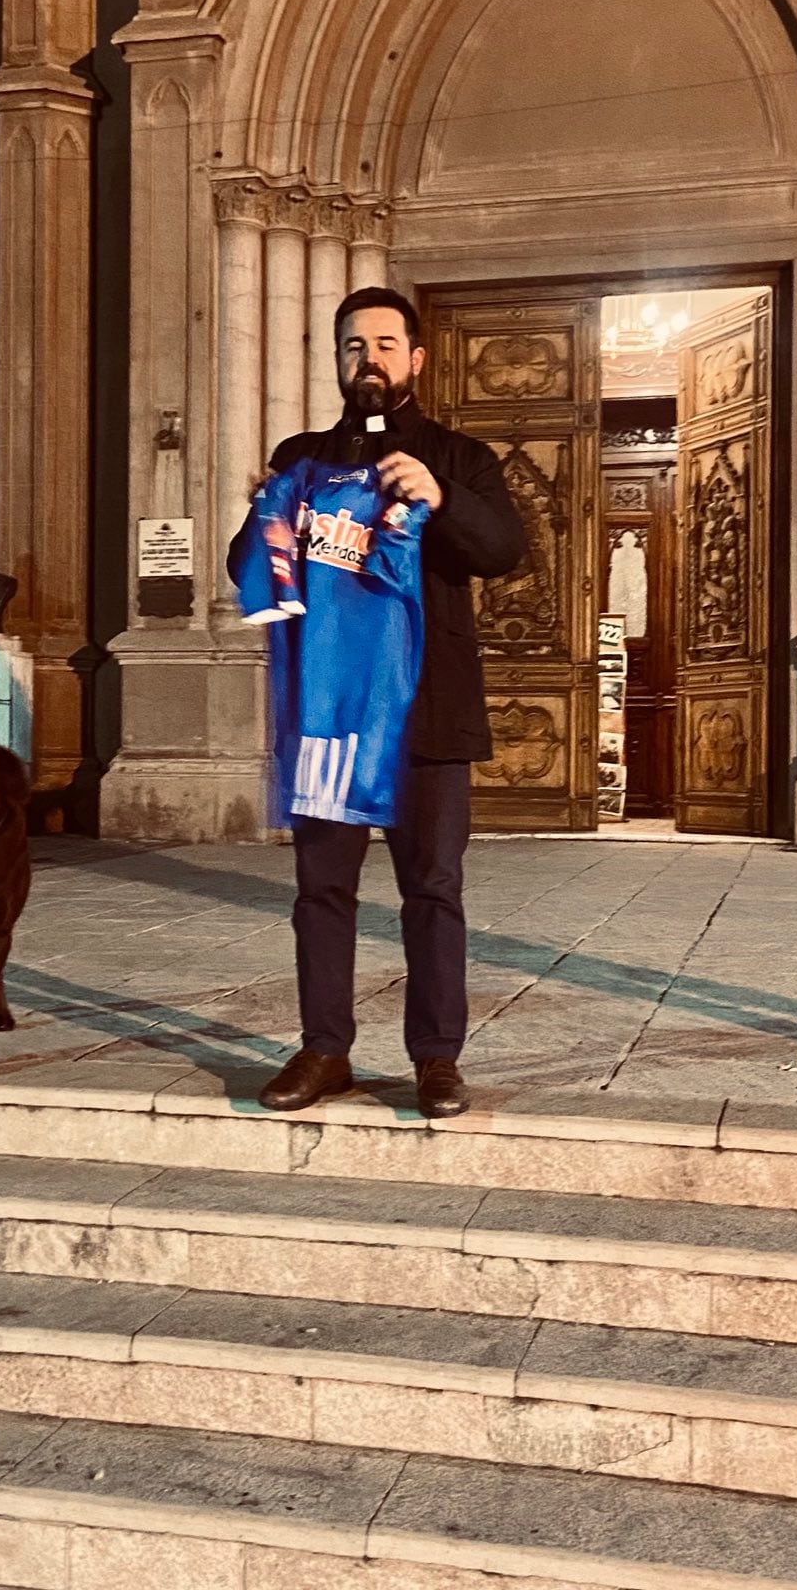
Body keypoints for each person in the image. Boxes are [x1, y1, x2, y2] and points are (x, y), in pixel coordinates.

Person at [227, 286, 526, 1118]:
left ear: (416, 359)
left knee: (433, 887)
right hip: (331, 716)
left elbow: (503, 550)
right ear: (337, 361)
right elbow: (242, 568)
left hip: (427, 715)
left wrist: (439, 496)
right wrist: (265, 516)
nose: (371, 360)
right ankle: (325, 1049)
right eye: (354, 346)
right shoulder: (302, 458)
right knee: (321, 890)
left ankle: (436, 1060)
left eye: (387, 344)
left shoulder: (461, 457)